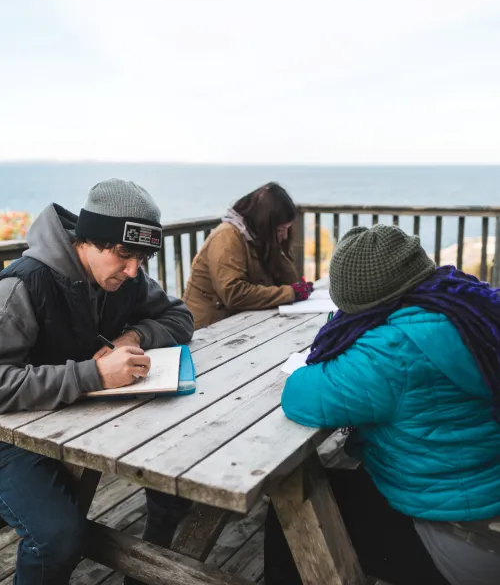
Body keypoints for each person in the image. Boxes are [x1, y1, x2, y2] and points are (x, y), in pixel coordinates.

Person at [265, 224, 500, 585]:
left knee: (293, 504)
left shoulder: (390, 350)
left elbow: (299, 395)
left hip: (467, 544)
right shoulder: (470, 307)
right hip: (482, 509)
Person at [0, 179, 194, 585]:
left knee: (175, 480)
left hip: (81, 421)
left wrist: (134, 336)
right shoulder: (21, 286)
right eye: (124, 255)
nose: (133, 270)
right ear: (88, 240)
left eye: (142, 257)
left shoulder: (126, 277)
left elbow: (181, 317)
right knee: (55, 538)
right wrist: (93, 375)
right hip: (11, 438)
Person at [182, 182, 314, 329]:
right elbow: (234, 293)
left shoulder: (258, 237)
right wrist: (290, 293)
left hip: (237, 324)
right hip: (206, 331)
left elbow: (288, 281)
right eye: (280, 229)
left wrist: (280, 254)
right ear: (264, 222)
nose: (284, 235)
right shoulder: (227, 237)